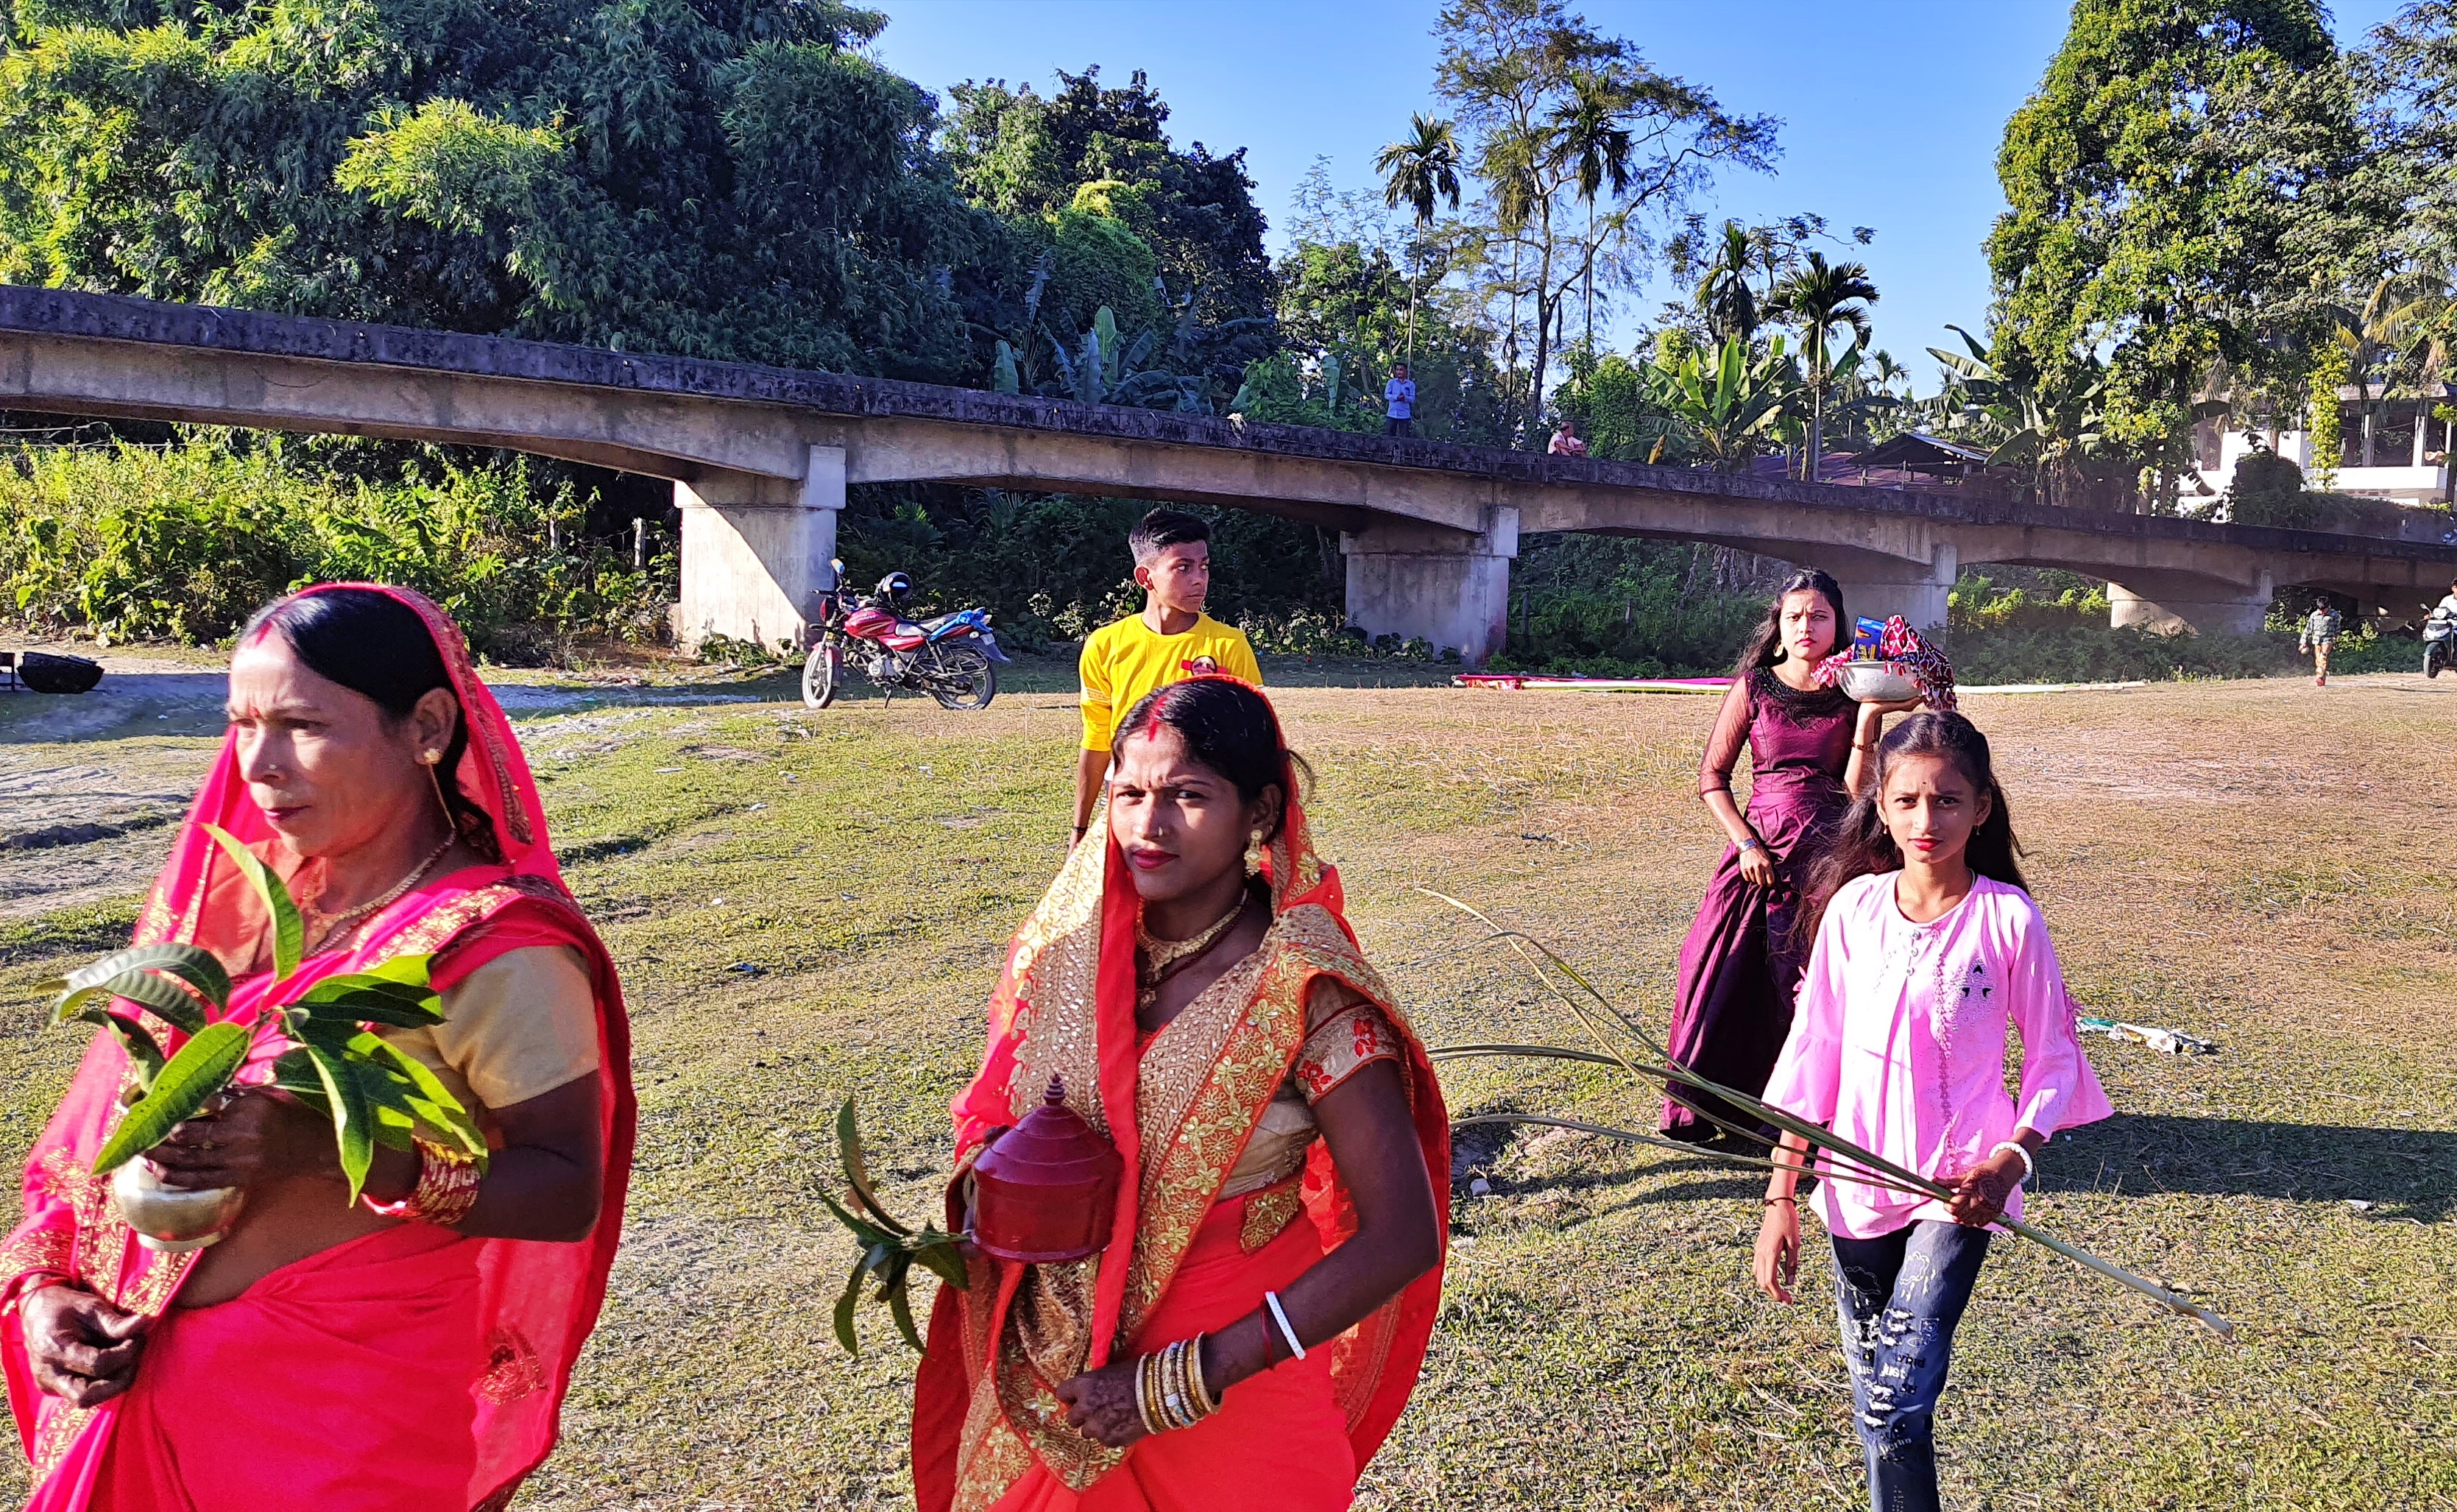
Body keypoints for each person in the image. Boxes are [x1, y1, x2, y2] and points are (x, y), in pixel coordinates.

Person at [0, 584, 634, 1511]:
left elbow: (563, 1187)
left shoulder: (501, 950)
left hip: (339, 1424)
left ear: (425, 725)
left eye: (301, 724)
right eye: (242, 723)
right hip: (139, 1383)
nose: (259, 762)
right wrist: (44, 1291)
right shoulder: (239, 917)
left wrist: (328, 1152)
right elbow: (95, 1139)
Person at [913, 676, 1447, 1512]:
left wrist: (1187, 1377)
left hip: (1234, 1392)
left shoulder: (1303, 989)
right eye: (1127, 793)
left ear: (1260, 812)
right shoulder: (1064, 957)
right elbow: (996, 1120)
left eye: (1187, 795)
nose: (1147, 825)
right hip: (1058, 1376)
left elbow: (1400, 1235)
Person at [1753, 711, 2112, 1512]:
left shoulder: (2007, 918)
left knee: (1894, 1406)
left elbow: (2053, 1052)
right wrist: (1783, 1197)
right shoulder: (1851, 911)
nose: (1926, 820)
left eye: (1947, 800)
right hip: (1851, 1184)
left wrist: (2008, 1156)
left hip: (1956, 1191)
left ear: (1981, 806)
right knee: (1873, 1403)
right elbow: (1814, 1055)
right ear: (1878, 804)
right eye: (1907, 800)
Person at [1660, 570, 1913, 1142]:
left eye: (1819, 616)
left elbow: (1856, 790)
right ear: (1779, 625)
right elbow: (1712, 778)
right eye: (1795, 616)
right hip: (1759, 854)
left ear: (1837, 626)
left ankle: (1799, 1120)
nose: (1807, 627)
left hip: (1829, 854)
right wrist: (1746, 843)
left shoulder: (1854, 690)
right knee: (1720, 969)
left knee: (1811, 982)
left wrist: (1871, 716)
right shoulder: (1753, 686)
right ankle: (1716, 1107)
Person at [1075, 510, 1263, 848]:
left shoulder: (1228, 644)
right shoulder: (1105, 645)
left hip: (1200, 806)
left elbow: (1256, 740)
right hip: (1127, 801)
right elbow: (1097, 739)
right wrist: (1081, 829)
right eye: (1183, 567)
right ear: (1145, 577)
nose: (1199, 579)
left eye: (1204, 567)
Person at [2299, 596, 2343, 686]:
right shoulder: (2314, 616)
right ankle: (2322, 679)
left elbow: (2338, 627)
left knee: (2323, 656)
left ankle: (2319, 676)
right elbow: (2308, 629)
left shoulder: (2334, 615)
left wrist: (2336, 636)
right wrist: (2303, 640)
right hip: (2316, 639)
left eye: (2324, 610)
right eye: (2320, 610)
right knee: (2318, 659)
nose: (2322, 612)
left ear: (2329, 607)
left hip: (2328, 639)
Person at [1381, 363, 1415, 438]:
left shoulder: (1410, 384)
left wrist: (1405, 398)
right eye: (1397, 370)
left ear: (1406, 371)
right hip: (1392, 413)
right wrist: (1397, 397)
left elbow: (1412, 399)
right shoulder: (1391, 383)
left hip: (1404, 415)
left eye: (1401, 370)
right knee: (1389, 436)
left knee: (1405, 438)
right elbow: (1387, 395)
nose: (1399, 372)